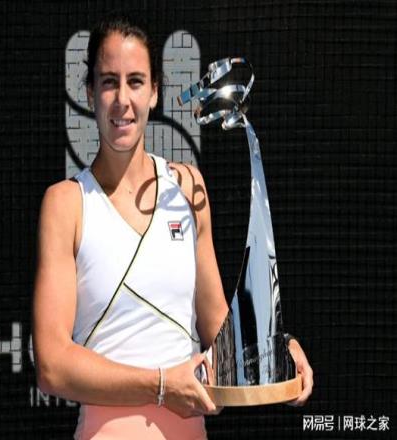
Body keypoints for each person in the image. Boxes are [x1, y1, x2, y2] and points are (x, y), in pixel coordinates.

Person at [32, 14, 313, 439]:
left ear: (155, 92)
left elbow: (218, 328)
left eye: (135, 82)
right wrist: (162, 385)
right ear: (89, 93)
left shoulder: (188, 186)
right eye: (108, 82)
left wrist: (275, 349)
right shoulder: (65, 203)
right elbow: (52, 366)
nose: (122, 99)